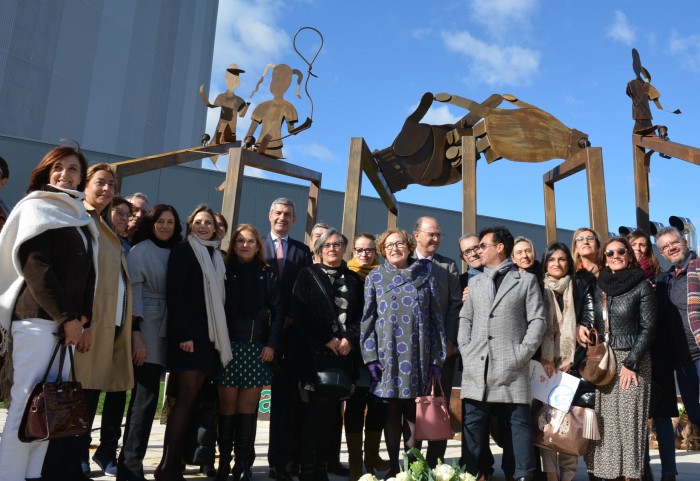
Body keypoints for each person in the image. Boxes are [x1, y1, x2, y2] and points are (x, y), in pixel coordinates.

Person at [0, 146, 98, 481]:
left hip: (66, 326)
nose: (65, 174)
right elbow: (36, 268)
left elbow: (88, 275)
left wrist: (86, 320)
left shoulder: (79, 216)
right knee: (25, 404)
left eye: (73, 169)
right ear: (46, 171)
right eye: (58, 167)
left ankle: (31, 476)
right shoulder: (37, 206)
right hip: (38, 320)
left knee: (47, 411)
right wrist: (67, 319)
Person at [41, 163, 134, 480]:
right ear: (85, 183)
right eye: (100, 182)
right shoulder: (76, 217)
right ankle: (56, 469)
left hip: (102, 334)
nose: (106, 189)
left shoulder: (101, 227)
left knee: (84, 408)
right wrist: (80, 322)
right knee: (68, 406)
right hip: (79, 331)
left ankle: (69, 468)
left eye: (111, 184)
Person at [458, 226, 545, 481]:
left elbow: (538, 320)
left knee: (518, 423)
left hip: (513, 363)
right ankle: (471, 473)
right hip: (477, 363)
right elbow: (465, 317)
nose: (478, 251)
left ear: (499, 247)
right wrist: (466, 348)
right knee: (473, 422)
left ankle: (523, 475)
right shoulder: (474, 282)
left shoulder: (525, 280)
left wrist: (522, 354)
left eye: (483, 246)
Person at [360, 227, 446, 477]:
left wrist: (437, 358)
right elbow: (367, 319)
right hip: (387, 357)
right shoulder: (375, 278)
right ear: (382, 251)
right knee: (392, 409)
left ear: (409, 246)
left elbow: (436, 320)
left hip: (418, 355)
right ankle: (395, 466)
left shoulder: (426, 276)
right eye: (389, 246)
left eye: (399, 244)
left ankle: (413, 466)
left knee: (412, 410)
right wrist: (370, 356)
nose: (394, 248)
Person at [157, 204, 232, 481]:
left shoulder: (214, 255)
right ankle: (167, 465)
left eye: (208, 223)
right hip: (188, 337)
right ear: (191, 225)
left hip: (208, 338)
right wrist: (184, 335)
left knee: (192, 400)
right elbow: (174, 295)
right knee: (185, 398)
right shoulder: (184, 251)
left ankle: (175, 463)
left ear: (215, 228)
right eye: (198, 222)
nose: (203, 226)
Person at [577, 236, 656, 481]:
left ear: (629, 255)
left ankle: (631, 476)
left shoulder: (642, 286)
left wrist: (631, 363)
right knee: (607, 425)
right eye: (610, 253)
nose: (615, 256)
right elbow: (593, 317)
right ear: (605, 259)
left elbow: (649, 327)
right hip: (606, 363)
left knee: (630, 425)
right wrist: (584, 326)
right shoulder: (600, 286)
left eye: (621, 251)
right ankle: (609, 475)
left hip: (634, 361)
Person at [117, 204, 182, 481]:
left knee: (166, 399)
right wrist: (136, 334)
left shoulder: (180, 251)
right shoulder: (141, 250)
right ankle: (130, 466)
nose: (165, 226)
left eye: (170, 221)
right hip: (148, 327)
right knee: (144, 400)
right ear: (151, 223)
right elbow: (133, 294)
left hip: (175, 327)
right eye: (160, 221)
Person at [293, 228, 364, 481]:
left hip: (343, 354)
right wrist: (328, 339)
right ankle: (308, 468)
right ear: (319, 250)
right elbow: (301, 313)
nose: (332, 249)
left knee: (334, 413)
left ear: (344, 249)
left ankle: (323, 464)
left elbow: (360, 317)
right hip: (315, 354)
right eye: (327, 245)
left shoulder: (354, 279)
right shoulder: (307, 274)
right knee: (316, 412)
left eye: (337, 244)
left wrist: (348, 340)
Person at [215, 224, 283, 481]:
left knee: (247, 410)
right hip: (227, 347)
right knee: (227, 407)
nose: (245, 245)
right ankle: (223, 463)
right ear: (233, 244)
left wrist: (271, 344)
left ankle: (243, 465)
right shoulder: (223, 270)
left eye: (251, 241)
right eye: (240, 240)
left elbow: (277, 313)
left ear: (258, 246)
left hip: (257, 350)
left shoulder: (267, 274)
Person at [262, 198, 312, 481]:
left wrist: (290, 317)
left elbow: (304, 290)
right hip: (258, 334)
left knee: (285, 403)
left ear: (294, 220)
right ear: (270, 215)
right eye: (278, 213)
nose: (282, 218)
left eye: (288, 215)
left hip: (291, 337)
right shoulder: (254, 245)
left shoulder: (302, 251)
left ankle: (283, 461)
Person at [458, 233, 513, 481]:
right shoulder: (461, 282)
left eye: (476, 248)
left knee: (502, 419)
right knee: (474, 417)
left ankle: (511, 467)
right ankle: (480, 468)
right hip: (474, 360)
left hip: (504, 360)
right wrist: (465, 349)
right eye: (467, 252)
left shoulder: (507, 277)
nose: (473, 254)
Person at [538, 243, 594, 481]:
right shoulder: (537, 287)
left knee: (569, 425)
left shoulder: (580, 285)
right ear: (545, 263)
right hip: (544, 367)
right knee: (546, 425)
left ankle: (568, 476)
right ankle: (551, 476)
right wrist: (544, 359)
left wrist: (572, 360)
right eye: (552, 259)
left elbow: (589, 320)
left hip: (573, 366)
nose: (557, 264)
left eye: (562, 259)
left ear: (568, 263)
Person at [411, 216, 462, 467]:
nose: (436, 239)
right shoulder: (403, 263)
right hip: (409, 351)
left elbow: (455, 304)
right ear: (416, 235)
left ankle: (435, 465)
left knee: (437, 405)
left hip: (442, 350)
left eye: (439, 234)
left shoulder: (449, 266)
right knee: (413, 409)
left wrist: (450, 339)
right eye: (431, 234)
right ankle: (412, 465)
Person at [655, 226, 700, 481]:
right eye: (665, 246)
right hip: (683, 361)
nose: (670, 248)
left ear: (684, 242)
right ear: (661, 252)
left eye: (674, 243)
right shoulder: (666, 280)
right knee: (694, 414)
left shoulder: (698, 268)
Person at [344, 233, 389, 481]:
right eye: (360, 250)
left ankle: (371, 455)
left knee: (377, 406)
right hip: (354, 352)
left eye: (369, 250)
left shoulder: (382, 276)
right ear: (353, 251)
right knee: (355, 405)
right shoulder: (346, 274)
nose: (364, 254)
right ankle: (354, 462)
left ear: (376, 252)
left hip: (380, 352)